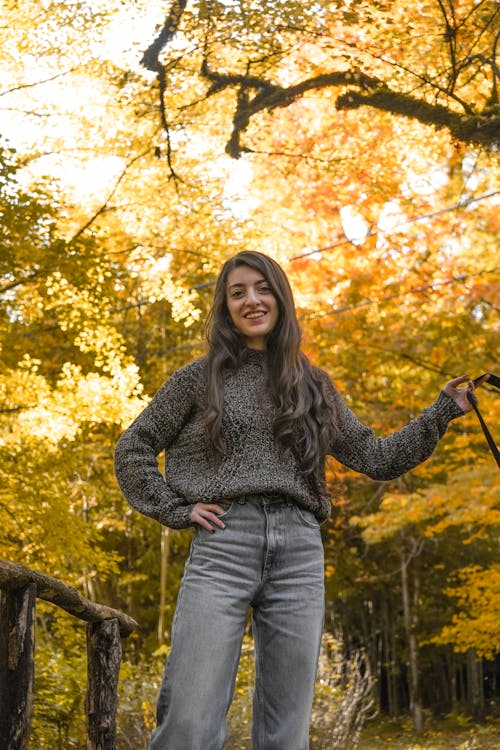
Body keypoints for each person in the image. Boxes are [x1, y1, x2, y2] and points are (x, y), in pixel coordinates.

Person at [114, 250, 485, 750]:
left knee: (287, 732)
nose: (252, 300)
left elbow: (376, 458)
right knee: (189, 720)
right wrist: (175, 510)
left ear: (281, 299)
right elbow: (133, 447)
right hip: (224, 543)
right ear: (225, 308)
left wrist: (442, 411)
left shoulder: (313, 386)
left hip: (300, 553)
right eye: (238, 292)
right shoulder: (196, 381)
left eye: (263, 288)